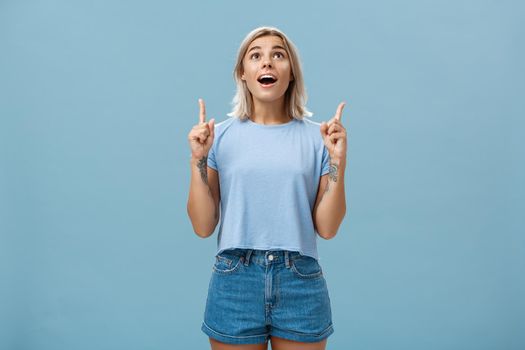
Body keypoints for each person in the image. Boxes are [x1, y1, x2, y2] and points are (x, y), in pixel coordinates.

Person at [187, 26, 347, 350]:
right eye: (256, 55)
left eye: (278, 55)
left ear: (291, 74)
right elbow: (203, 226)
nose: (267, 63)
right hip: (235, 279)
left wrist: (337, 163)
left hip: (299, 280)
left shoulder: (319, 139)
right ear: (243, 74)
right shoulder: (219, 137)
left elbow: (327, 229)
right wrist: (198, 162)